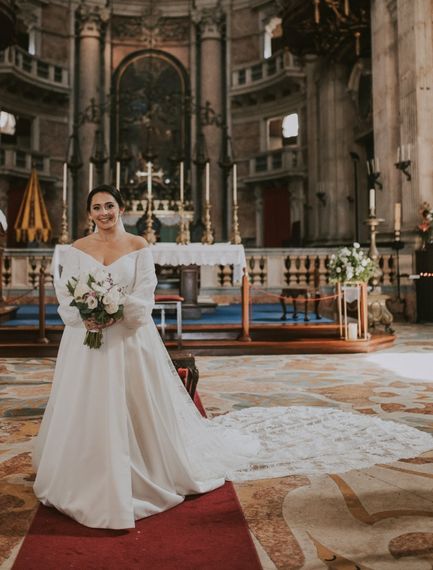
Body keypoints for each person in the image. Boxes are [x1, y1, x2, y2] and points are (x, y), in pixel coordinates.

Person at [33, 184, 433, 530]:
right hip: (87, 343)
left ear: (120, 208)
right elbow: (66, 295)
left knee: (135, 408)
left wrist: (116, 311)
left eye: (109, 206)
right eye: (97, 207)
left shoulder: (139, 246)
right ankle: (80, 476)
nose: (103, 213)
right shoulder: (74, 249)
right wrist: (87, 315)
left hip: (128, 340)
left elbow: (145, 294)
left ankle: (142, 471)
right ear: (88, 213)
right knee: (85, 408)